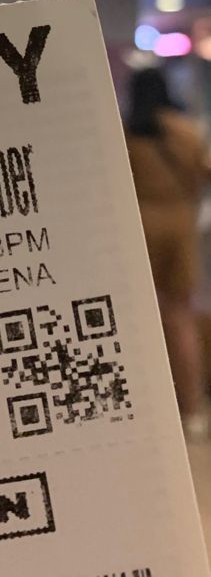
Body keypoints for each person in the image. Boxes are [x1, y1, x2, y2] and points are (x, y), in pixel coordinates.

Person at [125, 66, 210, 440]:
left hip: (139, 225)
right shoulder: (185, 130)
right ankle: (192, 410)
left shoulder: (127, 134)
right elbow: (202, 176)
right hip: (180, 226)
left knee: (137, 320)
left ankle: (147, 409)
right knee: (181, 317)